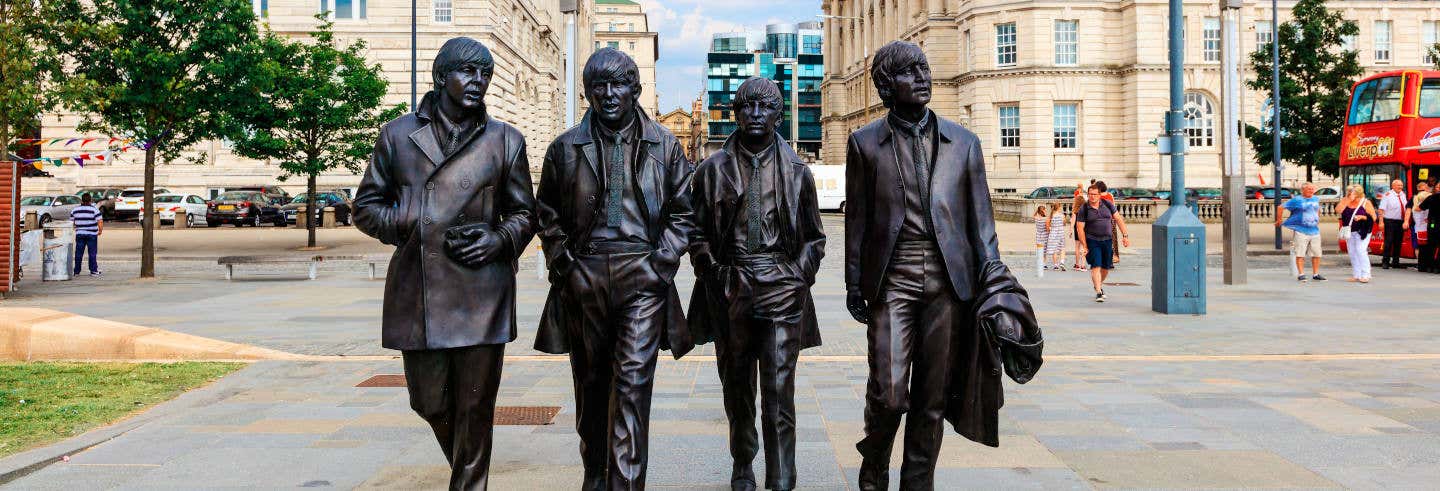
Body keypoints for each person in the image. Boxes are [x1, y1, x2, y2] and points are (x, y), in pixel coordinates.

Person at [844, 41, 1038, 491]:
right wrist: (855, 282)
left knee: (932, 397)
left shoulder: (964, 143)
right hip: (893, 276)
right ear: (887, 86)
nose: (924, 77)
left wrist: (995, 288)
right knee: (890, 393)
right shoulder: (865, 143)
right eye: (911, 72)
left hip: (951, 283)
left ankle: (918, 483)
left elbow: (981, 225)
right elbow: (857, 219)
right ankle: (874, 465)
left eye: (925, 68)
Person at [352, 37, 537, 491]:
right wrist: (411, 218)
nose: (479, 82)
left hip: (482, 291)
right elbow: (365, 207)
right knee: (429, 402)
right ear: (440, 77)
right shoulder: (397, 135)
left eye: (485, 74)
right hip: (419, 292)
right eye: (468, 72)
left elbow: (525, 213)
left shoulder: (505, 140)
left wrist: (499, 238)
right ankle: (467, 472)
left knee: (475, 410)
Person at [533, 48, 698, 491]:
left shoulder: (665, 144)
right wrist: (564, 262)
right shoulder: (564, 148)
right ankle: (595, 472)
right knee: (591, 387)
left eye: (619, 84)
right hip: (585, 275)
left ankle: (625, 484)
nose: (609, 94)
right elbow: (546, 213)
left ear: (636, 89)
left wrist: (661, 262)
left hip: (642, 276)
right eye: (598, 86)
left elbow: (685, 211)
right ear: (586, 93)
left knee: (631, 387)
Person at [688, 77, 826, 491]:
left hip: (782, 284)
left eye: (764, 108)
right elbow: (694, 233)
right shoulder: (711, 170)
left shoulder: (799, 171)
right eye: (746, 107)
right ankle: (743, 460)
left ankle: (782, 476)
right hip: (732, 283)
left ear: (778, 116)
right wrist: (714, 271)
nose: (754, 115)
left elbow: (815, 237)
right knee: (737, 386)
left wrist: (799, 276)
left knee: (779, 388)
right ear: (735, 113)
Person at [1075, 184, 1129, 302]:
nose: (1092, 197)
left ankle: (1098, 284)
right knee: (1096, 265)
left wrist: (1125, 236)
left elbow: (1118, 219)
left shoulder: (1107, 204)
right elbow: (1080, 228)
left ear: (1099, 195)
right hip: (1092, 240)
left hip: (1107, 240)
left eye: (1094, 194)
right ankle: (1099, 292)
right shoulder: (1084, 208)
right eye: (1090, 194)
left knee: (1105, 268)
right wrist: (1084, 245)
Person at [1276, 182, 1327, 282]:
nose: (1311, 191)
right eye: (1309, 189)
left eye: (1312, 189)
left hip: (1314, 230)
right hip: (1301, 230)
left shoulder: (1315, 199)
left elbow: (1317, 210)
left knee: (1317, 253)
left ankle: (1316, 274)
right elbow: (1280, 207)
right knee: (1300, 252)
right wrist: (1279, 220)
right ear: (1302, 190)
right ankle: (1301, 274)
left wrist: (1317, 219)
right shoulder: (1297, 200)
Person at [1340, 184, 1376, 283]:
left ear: (1357, 193)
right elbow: (1338, 210)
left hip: (1363, 231)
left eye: (1351, 192)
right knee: (1352, 252)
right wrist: (1346, 200)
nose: (1349, 193)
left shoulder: (1365, 202)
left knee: (1360, 250)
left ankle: (1366, 274)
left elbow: (1373, 217)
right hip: (1350, 231)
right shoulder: (1345, 201)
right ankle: (1357, 274)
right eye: (1348, 191)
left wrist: (1363, 217)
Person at [1376, 179, 1409, 269]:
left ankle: (1396, 262)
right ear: (1393, 186)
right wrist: (1381, 222)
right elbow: (1381, 209)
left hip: (1400, 222)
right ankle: (1385, 262)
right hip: (1389, 221)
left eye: (1401, 185)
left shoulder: (1403, 195)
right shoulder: (1387, 195)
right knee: (1388, 242)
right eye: (1398, 185)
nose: (1400, 187)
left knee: (1398, 242)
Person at [71, 193, 103, 277]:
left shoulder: (75, 210)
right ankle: (93, 271)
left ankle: (76, 272)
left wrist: (77, 226)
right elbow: (100, 221)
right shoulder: (94, 209)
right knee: (92, 253)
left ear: (82, 200)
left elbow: (72, 221)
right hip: (92, 234)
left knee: (78, 253)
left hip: (80, 234)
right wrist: (100, 230)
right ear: (90, 200)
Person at [1419, 179, 1440, 274]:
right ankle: (1437, 267)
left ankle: (1429, 267)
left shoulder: (1431, 197)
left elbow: (1420, 208)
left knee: (1431, 245)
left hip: (1432, 224)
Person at [1411, 181, 1431, 272]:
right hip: (1424, 230)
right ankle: (1424, 265)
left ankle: (1421, 265)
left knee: (1420, 248)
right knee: (1425, 248)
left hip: (1418, 230)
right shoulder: (1423, 207)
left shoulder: (1415, 207)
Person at [1070, 184, 1088, 271]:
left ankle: (1077, 264)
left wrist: (1070, 230)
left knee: (1077, 247)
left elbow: (1072, 220)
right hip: (1085, 228)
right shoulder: (1086, 209)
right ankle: (1083, 265)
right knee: (1084, 246)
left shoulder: (1075, 210)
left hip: (1077, 228)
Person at [1045, 202, 1067, 271]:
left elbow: (1048, 226)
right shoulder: (1062, 215)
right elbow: (1064, 223)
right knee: (1062, 248)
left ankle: (1055, 265)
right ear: (1059, 207)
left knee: (1054, 250)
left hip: (1053, 233)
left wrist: (1050, 230)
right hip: (1061, 233)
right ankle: (1062, 262)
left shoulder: (1051, 216)